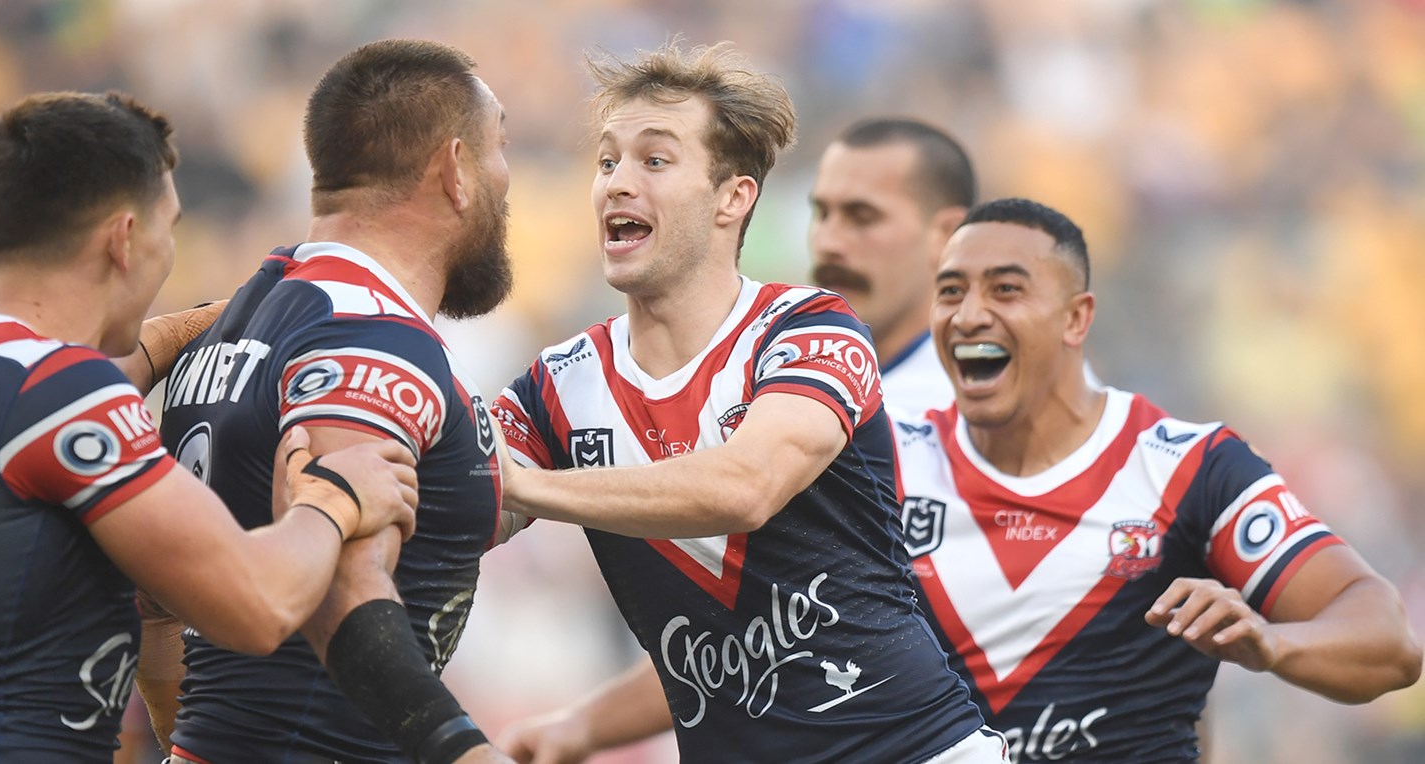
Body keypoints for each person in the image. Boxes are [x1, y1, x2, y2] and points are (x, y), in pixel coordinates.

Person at [488, 43, 1008, 764]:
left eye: (655, 160)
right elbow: (459, 503)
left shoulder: (809, 329)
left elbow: (746, 487)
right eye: (607, 162)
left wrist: (525, 486)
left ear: (733, 197)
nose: (617, 184)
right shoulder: (558, 385)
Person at [0, 91, 419, 763]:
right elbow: (260, 607)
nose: (169, 253)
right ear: (124, 239)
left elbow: (50, 403)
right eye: (170, 228)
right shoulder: (61, 392)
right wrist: (334, 499)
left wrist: (197, 327)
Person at [891, 197, 1421, 761]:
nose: (968, 315)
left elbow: (1390, 643)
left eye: (1005, 290)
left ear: (1076, 318)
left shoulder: (1190, 468)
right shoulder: (889, 464)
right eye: (951, 291)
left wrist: (1271, 642)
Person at [142, 40, 515, 764]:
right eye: (499, 146)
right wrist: (467, 754)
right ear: (455, 170)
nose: (508, 178)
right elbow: (345, 597)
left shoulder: (241, 320)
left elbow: (155, 611)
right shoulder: (368, 337)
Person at [808, 118, 976, 412]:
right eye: (822, 213)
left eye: (862, 217)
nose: (828, 243)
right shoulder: (780, 381)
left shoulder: (975, 417)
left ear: (948, 235)